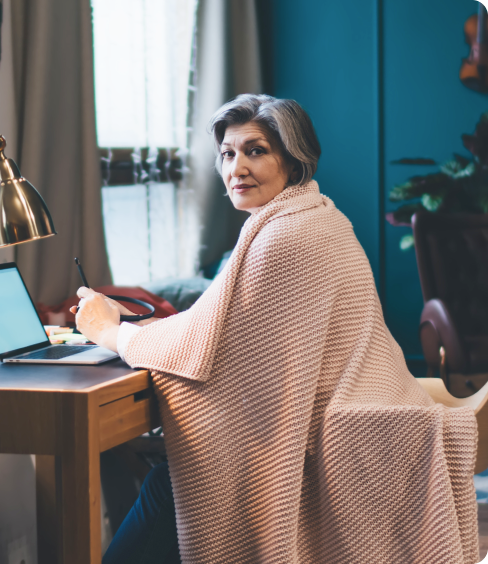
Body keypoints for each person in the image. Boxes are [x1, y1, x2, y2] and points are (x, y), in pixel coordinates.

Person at [73, 95, 478, 564]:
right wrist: (138, 329)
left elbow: (216, 358)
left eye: (256, 150)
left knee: (176, 481)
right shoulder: (319, 214)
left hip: (338, 434)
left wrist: (111, 333)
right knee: (167, 485)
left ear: (293, 159)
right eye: (227, 153)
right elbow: (225, 328)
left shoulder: (284, 237)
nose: (237, 167)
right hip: (380, 412)